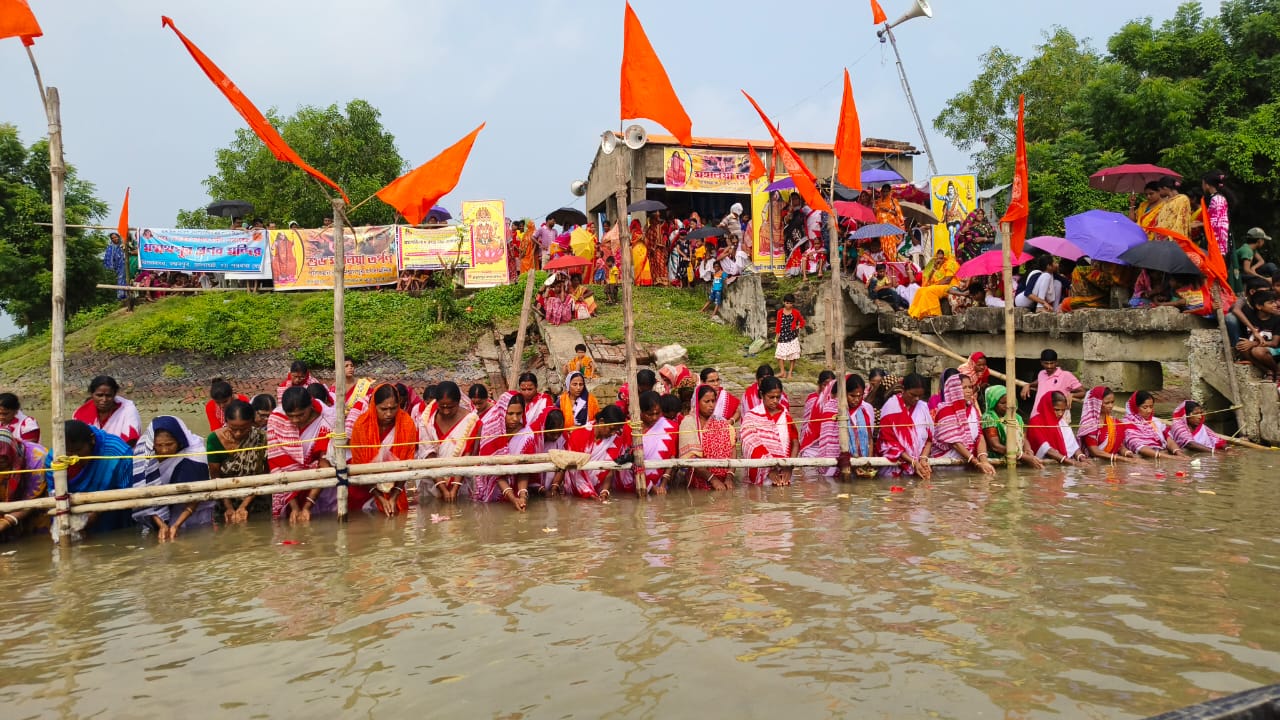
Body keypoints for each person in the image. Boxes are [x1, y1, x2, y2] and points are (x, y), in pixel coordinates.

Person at [131, 416, 212, 540]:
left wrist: (176, 525)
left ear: (180, 441)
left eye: (169, 444)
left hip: (193, 514)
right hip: (157, 511)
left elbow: (197, 496)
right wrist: (162, 525)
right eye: (159, 445)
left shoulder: (195, 456)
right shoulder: (145, 456)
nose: (164, 450)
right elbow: (143, 490)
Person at [266, 386, 334, 521]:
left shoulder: (327, 420)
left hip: (319, 486)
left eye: (301, 415)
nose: (295, 420)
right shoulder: (276, 418)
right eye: (290, 416)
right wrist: (295, 507)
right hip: (286, 485)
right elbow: (276, 461)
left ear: (310, 406)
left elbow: (325, 464)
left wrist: (307, 506)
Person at [346, 384, 415, 516]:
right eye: (383, 409)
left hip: (395, 488)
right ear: (374, 406)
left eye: (393, 408)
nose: (388, 414)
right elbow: (358, 463)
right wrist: (379, 497)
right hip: (363, 490)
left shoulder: (407, 424)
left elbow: (407, 464)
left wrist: (394, 496)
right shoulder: (361, 425)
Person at [471, 392, 538, 509]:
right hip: (490, 486)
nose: (515, 419)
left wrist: (522, 495)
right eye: (510, 414)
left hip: (517, 485)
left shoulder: (526, 434)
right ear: (502, 412)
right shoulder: (491, 430)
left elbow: (525, 469)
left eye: (519, 413)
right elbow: (493, 470)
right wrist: (512, 497)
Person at [207, 400, 268, 523]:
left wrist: (243, 506)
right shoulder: (214, 439)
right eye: (233, 429)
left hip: (256, 500)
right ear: (226, 423)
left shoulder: (262, 438)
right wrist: (229, 507)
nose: (238, 433)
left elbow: (264, 475)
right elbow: (215, 476)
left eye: (244, 429)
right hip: (224, 501)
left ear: (252, 422)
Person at [418, 381, 479, 502]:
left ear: (458, 402)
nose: (446, 411)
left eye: (450, 407)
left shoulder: (471, 422)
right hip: (432, 483)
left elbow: (466, 457)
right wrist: (443, 488)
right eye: (442, 407)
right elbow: (429, 456)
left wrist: (454, 488)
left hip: (461, 485)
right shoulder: (426, 421)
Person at [930, 373, 996, 474]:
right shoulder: (945, 411)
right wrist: (976, 462)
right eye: (964, 388)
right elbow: (955, 443)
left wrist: (984, 461)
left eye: (970, 387)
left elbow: (979, 436)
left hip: (968, 462)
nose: (969, 391)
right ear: (954, 390)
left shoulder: (972, 409)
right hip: (946, 465)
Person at [739, 376, 797, 486]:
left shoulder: (785, 415)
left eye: (778, 397)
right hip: (762, 476)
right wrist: (769, 470)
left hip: (785, 475)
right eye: (771, 397)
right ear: (762, 395)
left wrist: (789, 467)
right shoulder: (751, 417)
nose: (775, 401)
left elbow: (795, 443)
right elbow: (750, 445)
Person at [678, 385, 736, 491]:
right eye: (707, 401)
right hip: (700, 482)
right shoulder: (689, 423)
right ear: (697, 402)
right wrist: (713, 479)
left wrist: (729, 476)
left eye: (713, 401)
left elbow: (733, 450)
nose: (711, 405)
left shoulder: (721, 422)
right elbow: (692, 459)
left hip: (726, 482)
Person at [878, 373, 934, 479]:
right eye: (913, 395)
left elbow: (929, 439)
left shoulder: (923, 407)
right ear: (903, 389)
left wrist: (922, 459)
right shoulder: (891, 407)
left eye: (920, 396)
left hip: (920, 468)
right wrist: (913, 462)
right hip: (893, 469)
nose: (917, 399)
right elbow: (889, 442)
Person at [0, 429, 50, 539]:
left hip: (36, 503)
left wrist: (8, 521)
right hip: (5, 501)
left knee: (39, 538)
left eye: (2, 461)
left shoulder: (37, 459)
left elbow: (32, 500)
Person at [981, 386, 1044, 468]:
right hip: (997, 461)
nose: (1007, 406)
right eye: (1002, 403)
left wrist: (1028, 451)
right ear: (993, 403)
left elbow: (1023, 438)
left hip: (1018, 458)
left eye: (1009, 402)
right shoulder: (989, 418)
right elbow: (995, 446)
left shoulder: (1017, 417)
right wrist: (1022, 456)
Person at [627, 391, 676, 495]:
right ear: (640, 411)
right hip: (630, 486)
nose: (654, 417)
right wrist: (650, 486)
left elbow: (672, 458)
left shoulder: (670, 427)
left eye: (657, 413)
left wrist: (663, 484)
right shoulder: (629, 428)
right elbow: (625, 458)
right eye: (650, 414)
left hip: (660, 486)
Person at [73, 375, 142, 446]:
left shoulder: (127, 409)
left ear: (114, 394)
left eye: (108, 395)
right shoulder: (82, 412)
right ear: (92, 394)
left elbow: (131, 440)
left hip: (121, 452)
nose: (104, 399)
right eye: (99, 395)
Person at [1026, 391, 1090, 465]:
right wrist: (1072, 462)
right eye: (1057, 410)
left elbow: (1073, 446)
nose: (1060, 413)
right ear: (1047, 406)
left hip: (1064, 461)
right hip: (1043, 464)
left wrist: (1081, 457)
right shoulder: (1035, 421)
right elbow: (1045, 448)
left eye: (1063, 410)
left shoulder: (1062, 422)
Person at [1076, 387, 1137, 462]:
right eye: (1107, 403)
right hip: (1094, 464)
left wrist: (1128, 454)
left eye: (1112, 402)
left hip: (1113, 460)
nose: (1111, 406)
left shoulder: (1115, 422)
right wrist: (1122, 459)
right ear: (1096, 403)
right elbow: (1094, 451)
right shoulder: (1089, 425)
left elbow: (1119, 446)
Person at [1233, 290, 1280, 381]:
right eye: (1271, 303)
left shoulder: (1277, 319)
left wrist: (1253, 343)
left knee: (1257, 351)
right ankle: (1267, 371)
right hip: (1257, 350)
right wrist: (1254, 331)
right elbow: (1236, 309)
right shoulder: (1250, 315)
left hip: (1275, 350)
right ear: (1259, 306)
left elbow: (1274, 343)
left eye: (1275, 302)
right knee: (1241, 346)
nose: (1275, 305)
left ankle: (1277, 371)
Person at [1122, 390, 1184, 459]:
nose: (1149, 411)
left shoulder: (1155, 421)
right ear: (1135, 407)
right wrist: (1170, 457)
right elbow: (1140, 447)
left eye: (1151, 407)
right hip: (1143, 463)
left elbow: (1168, 439)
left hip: (1162, 455)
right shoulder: (1128, 423)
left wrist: (1177, 452)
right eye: (1145, 407)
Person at [1020, 349, 1085, 407]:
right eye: (1046, 363)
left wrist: (1072, 395)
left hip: (1058, 416)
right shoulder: (1041, 373)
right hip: (1038, 414)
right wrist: (1028, 385)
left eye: (1052, 363)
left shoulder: (1066, 375)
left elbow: (1082, 392)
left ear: (1056, 362)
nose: (1049, 366)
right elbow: (1039, 381)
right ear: (1041, 363)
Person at [907, 249, 960, 319]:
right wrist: (934, 268)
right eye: (937, 258)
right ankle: (918, 312)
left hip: (950, 286)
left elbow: (947, 280)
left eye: (941, 258)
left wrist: (934, 285)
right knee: (920, 290)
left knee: (929, 290)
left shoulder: (951, 263)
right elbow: (929, 280)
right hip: (940, 287)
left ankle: (935, 313)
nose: (939, 260)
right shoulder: (938, 266)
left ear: (945, 257)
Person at [774, 294, 805, 378]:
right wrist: (777, 337)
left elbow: (802, 321)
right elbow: (778, 325)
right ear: (784, 302)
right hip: (782, 336)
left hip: (792, 336)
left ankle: (790, 372)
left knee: (793, 355)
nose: (789, 305)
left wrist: (798, 326)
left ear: (793, 303)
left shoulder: (796, 312)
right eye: (787, 303)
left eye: (790, 303)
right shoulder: (780, 312)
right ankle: (782, 372)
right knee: (779, 354)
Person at [1201, 170, 1232, 256]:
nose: (1202, 187)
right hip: (1217, 245)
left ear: (1207, 185)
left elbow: (1218, 225)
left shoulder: (1217, 199)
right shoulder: (1216, 198)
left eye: (1202, 184)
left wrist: (1200, 224)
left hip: (1218, 246)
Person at [104, 232, 128, 301]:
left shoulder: (123, 245)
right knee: (120, 279)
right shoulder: (110, 247)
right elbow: (107, 258)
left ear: (118, 237)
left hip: (125, 264)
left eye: (116, 237)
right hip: (116, 266)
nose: (115, 239)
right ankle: (121, 295)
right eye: (113, 238)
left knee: (125, 278)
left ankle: (125, 295)